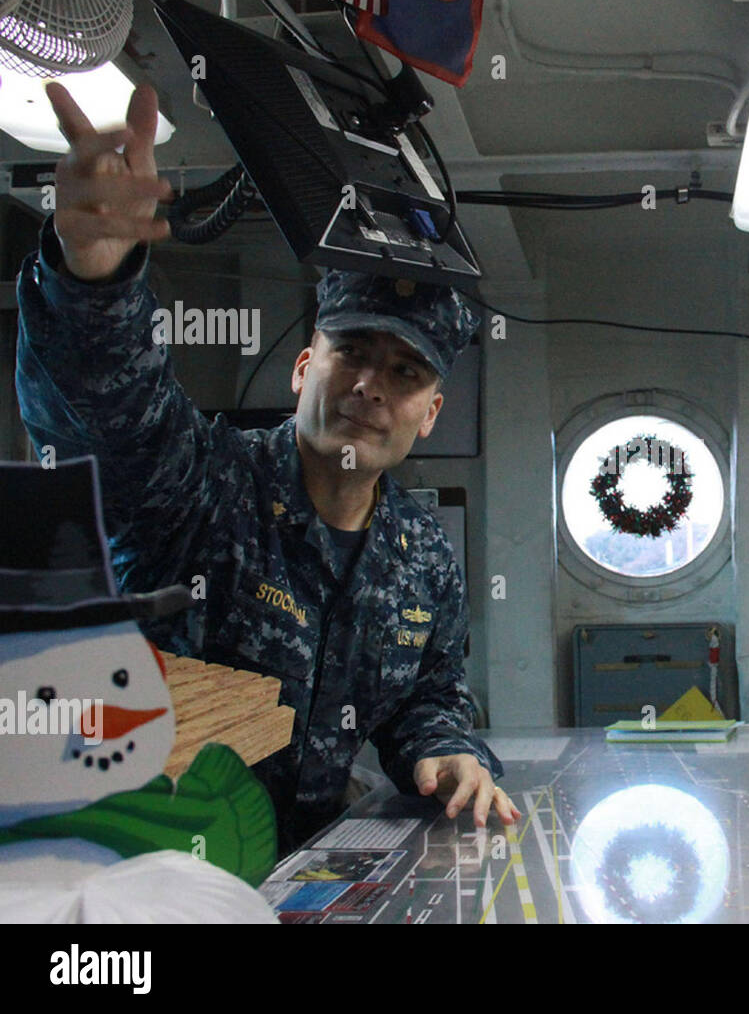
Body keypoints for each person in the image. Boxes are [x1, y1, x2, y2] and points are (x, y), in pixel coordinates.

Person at [14, 82, 519, 854]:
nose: (370, 385)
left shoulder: (422, 556)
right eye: (352, 352)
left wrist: (444, 751)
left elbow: (428, 693)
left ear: (431, 412)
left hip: (303, 875)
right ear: (303, 368)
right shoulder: (203, 483)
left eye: (405, 373)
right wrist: (94, 273)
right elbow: (107, 408)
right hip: (146, 866)